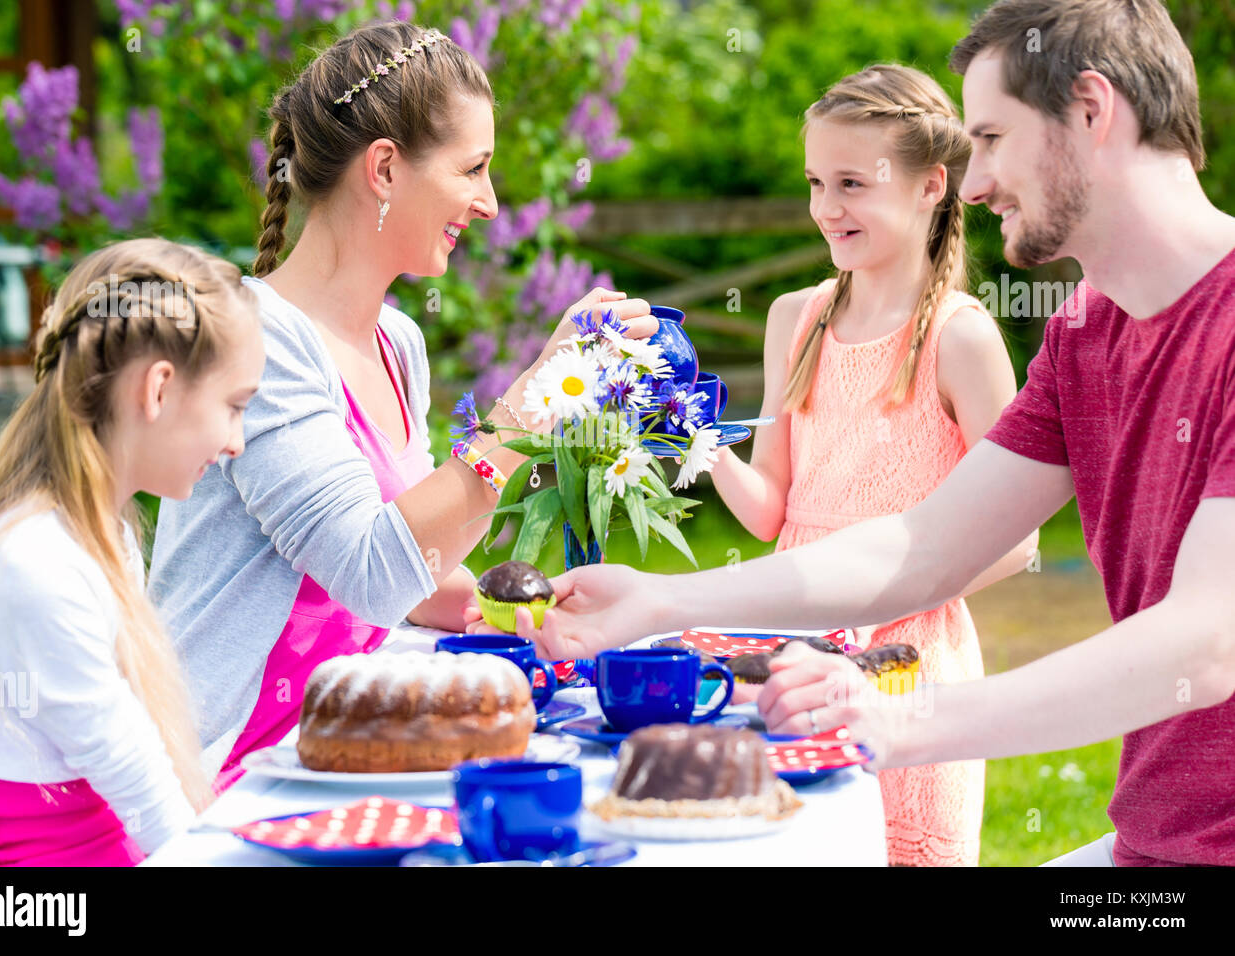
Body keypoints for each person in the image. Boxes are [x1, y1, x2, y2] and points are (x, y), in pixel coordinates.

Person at [471, 0, 1235, 867]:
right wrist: (664, 602)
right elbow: (920, 547)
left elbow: (1208, 643)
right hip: (1159, 851)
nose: (975, 183)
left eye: (990, 138)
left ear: (1093, 113)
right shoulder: (1085, 337)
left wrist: (898, 720)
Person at [147, 21, 653, 791]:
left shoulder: (397, 340)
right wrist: (540, 399)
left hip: (343, 746)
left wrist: (531, 609)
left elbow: (415, 567)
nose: (489, 203)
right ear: (383, 168)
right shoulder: (257, 341)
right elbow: (374, 574)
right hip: (220, 769)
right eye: (474, 169)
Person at [706, 64, 1033, 865]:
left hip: (908, 669)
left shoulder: (960, 338)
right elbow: (772, 513)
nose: (826, 208)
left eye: (852, 183)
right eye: (817, 181)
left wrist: (869, 615)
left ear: (930, 186)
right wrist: (698, 439)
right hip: (790, 650)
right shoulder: (795, 318)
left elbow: (1016, 544)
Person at [0, 238, 264, 864]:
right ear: (159, 388)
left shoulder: (97, 535)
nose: (236, 441)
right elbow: (137, 782)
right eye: (234, 406)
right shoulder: (35, 564)